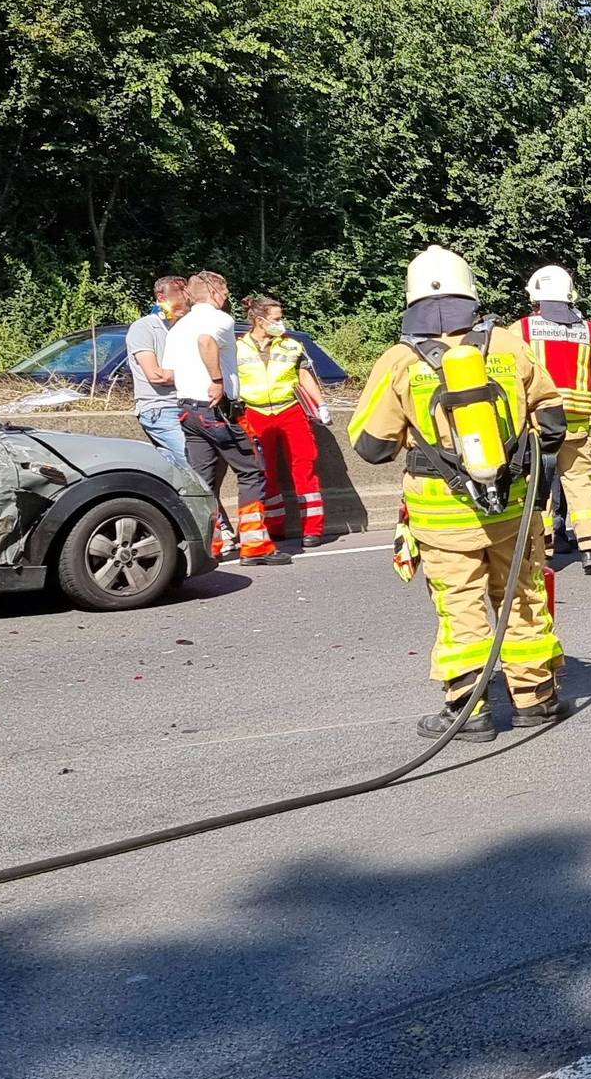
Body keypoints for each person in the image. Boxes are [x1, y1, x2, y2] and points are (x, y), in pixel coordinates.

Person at [352, 246, 569, 741]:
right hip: (511, 508)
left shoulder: (400, 360)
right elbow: (554, 422)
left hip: (442, 514)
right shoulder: (509, 345)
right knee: (522, 596)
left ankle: (469, 711)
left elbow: (371, 447)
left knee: (461, 606)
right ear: (470, 295)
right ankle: (536, 700)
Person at [165, 270, 283, 565]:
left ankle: (210, 544)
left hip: (188, 410)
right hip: (216, 409)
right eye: (225, 289)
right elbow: (206, 341)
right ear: (214, 291)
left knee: (203, 480)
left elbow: (169, 372)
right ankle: (255, 546)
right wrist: (217, 380)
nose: (228, 294)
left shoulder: (179, 326)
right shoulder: (219, 319)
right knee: (252, 470)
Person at [520, 264, 591, 574]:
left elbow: (509, 379)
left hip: (538, 424)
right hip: (577, 425)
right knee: (582, 485)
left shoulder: (521, 331)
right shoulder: (589, 332)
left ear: (535, 297)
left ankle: (543, 551)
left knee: (538, 487)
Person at [235, 294, 331, 548]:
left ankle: (312, 529)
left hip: (290, 410)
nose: (281, 323)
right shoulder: (237, 348)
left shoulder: (291, 345)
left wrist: (320, 404)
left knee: (304, 466)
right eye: (276, 319)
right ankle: (275, 526)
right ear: (260, 321)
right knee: (265, 472)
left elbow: (304, 375)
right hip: (255, 413)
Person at [126, 276, 188, 464]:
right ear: (161, 297)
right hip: (161, 408)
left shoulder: (185, 328)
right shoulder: (144, 327)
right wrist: (195, 377)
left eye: (187, 293)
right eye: (179, 293)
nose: (186, 298)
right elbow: (156, 376)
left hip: (189, 406)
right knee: (190, 459)